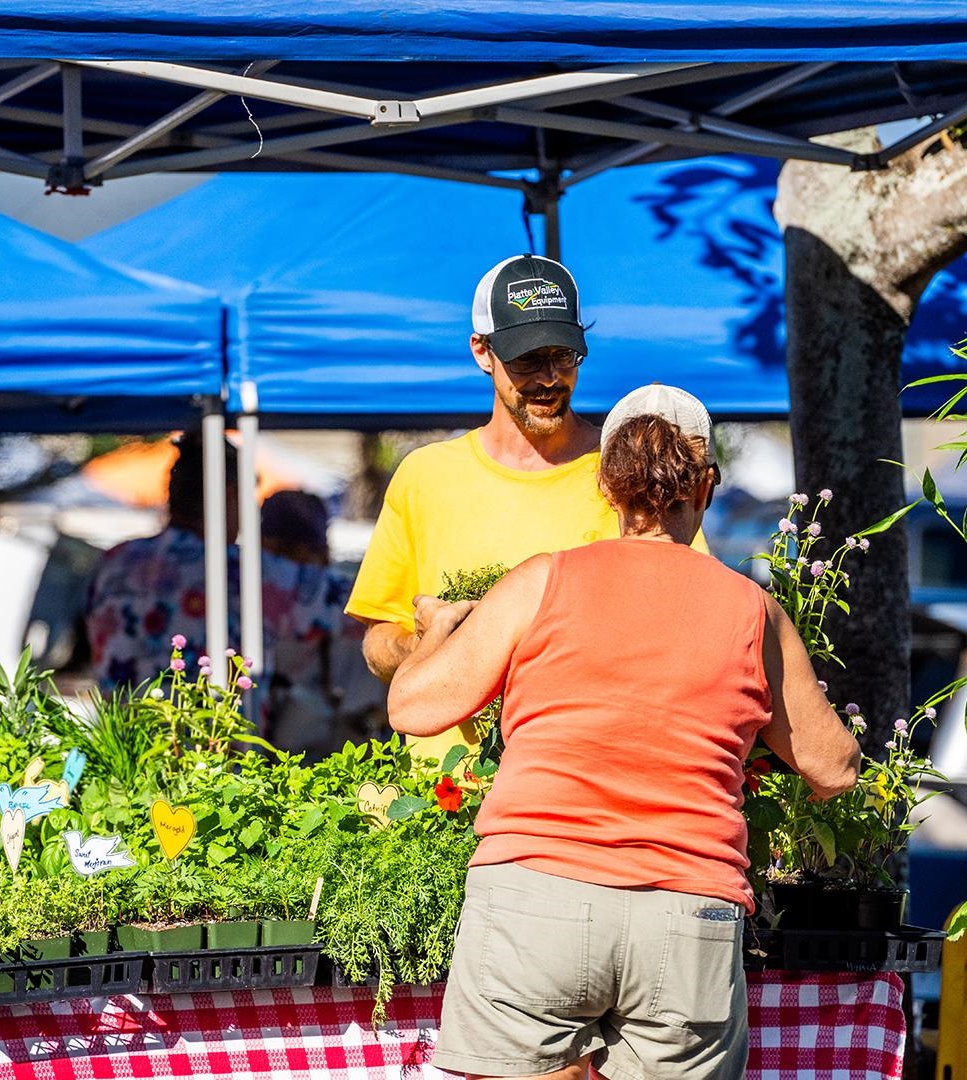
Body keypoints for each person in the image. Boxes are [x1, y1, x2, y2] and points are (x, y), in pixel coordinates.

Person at [388, 385, 861, 1080]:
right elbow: (835, 767)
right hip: (687, 913)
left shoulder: (540, 583)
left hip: (535, 897)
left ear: (608, 485)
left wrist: (435, 631)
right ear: (704, 486)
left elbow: (414, 707)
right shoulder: (752, 611)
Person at [347, 253, 704, 763]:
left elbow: (691, 612)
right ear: (482, 352)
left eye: (564, 357)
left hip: (585, 782)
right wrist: (428, 641)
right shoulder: (426, 476)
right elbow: (377, 638)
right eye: (527, 360)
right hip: (442, 796)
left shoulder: (626, 473)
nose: (549, 378)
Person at [85, 430, 379, 751]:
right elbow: (363, 603)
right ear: (227, 495)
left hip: (123, 755)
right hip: (211, 767)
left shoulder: (114, 563)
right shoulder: (246, 572)